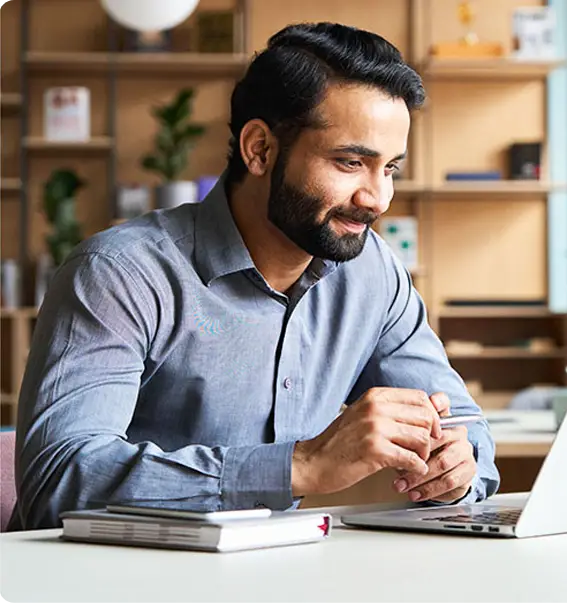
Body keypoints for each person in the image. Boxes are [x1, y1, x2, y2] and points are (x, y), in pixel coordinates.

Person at [9, 22, 499, 530]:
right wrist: (301, 466)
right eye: (351, 162)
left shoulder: (373, 273)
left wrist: (455, 471)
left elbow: (468, 434)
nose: (376, 198)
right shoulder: (121, 274)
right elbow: (59, 481)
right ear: (260, 149)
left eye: (390, 169)